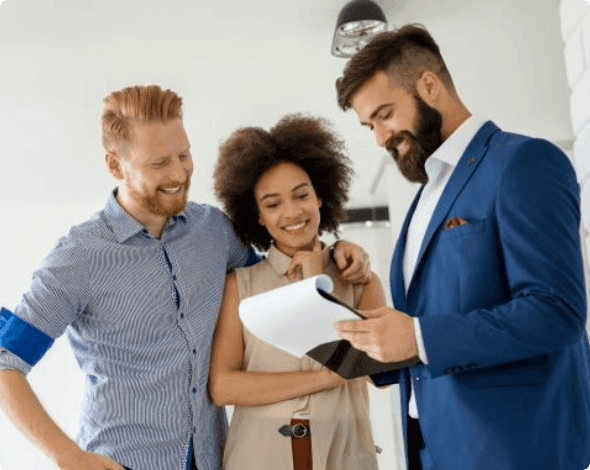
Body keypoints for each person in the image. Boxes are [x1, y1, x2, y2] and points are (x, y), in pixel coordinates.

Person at [0, 85, 371, 470]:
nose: (179, 173)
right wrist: (68, 456)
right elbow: (5, 360)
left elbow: (274, 274)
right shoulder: (78, 258)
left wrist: (336, 250)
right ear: (116, 165)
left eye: (184, 155)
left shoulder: (213, 230)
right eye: (159, 163)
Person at [333, 24, 590, 470]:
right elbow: (440, 322)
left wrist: (416, 336)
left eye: (385, 114)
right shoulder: (422, 198)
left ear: (429, 85)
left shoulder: (523, 163)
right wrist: (375, 349)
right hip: (437, 450)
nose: (379, 137)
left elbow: (557, 311)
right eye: (369, 125)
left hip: (519, 451)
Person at [208, 114, 386, 470]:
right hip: (260, 457)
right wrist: (323, 379)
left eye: (301, 195)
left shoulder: (361, 280)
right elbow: (223, 386)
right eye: (272, 204)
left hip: (346, 454)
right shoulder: (238, 287)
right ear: (258, 216)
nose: (291, 212)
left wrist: (317, 282)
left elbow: (376, 372)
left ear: (320, 196)